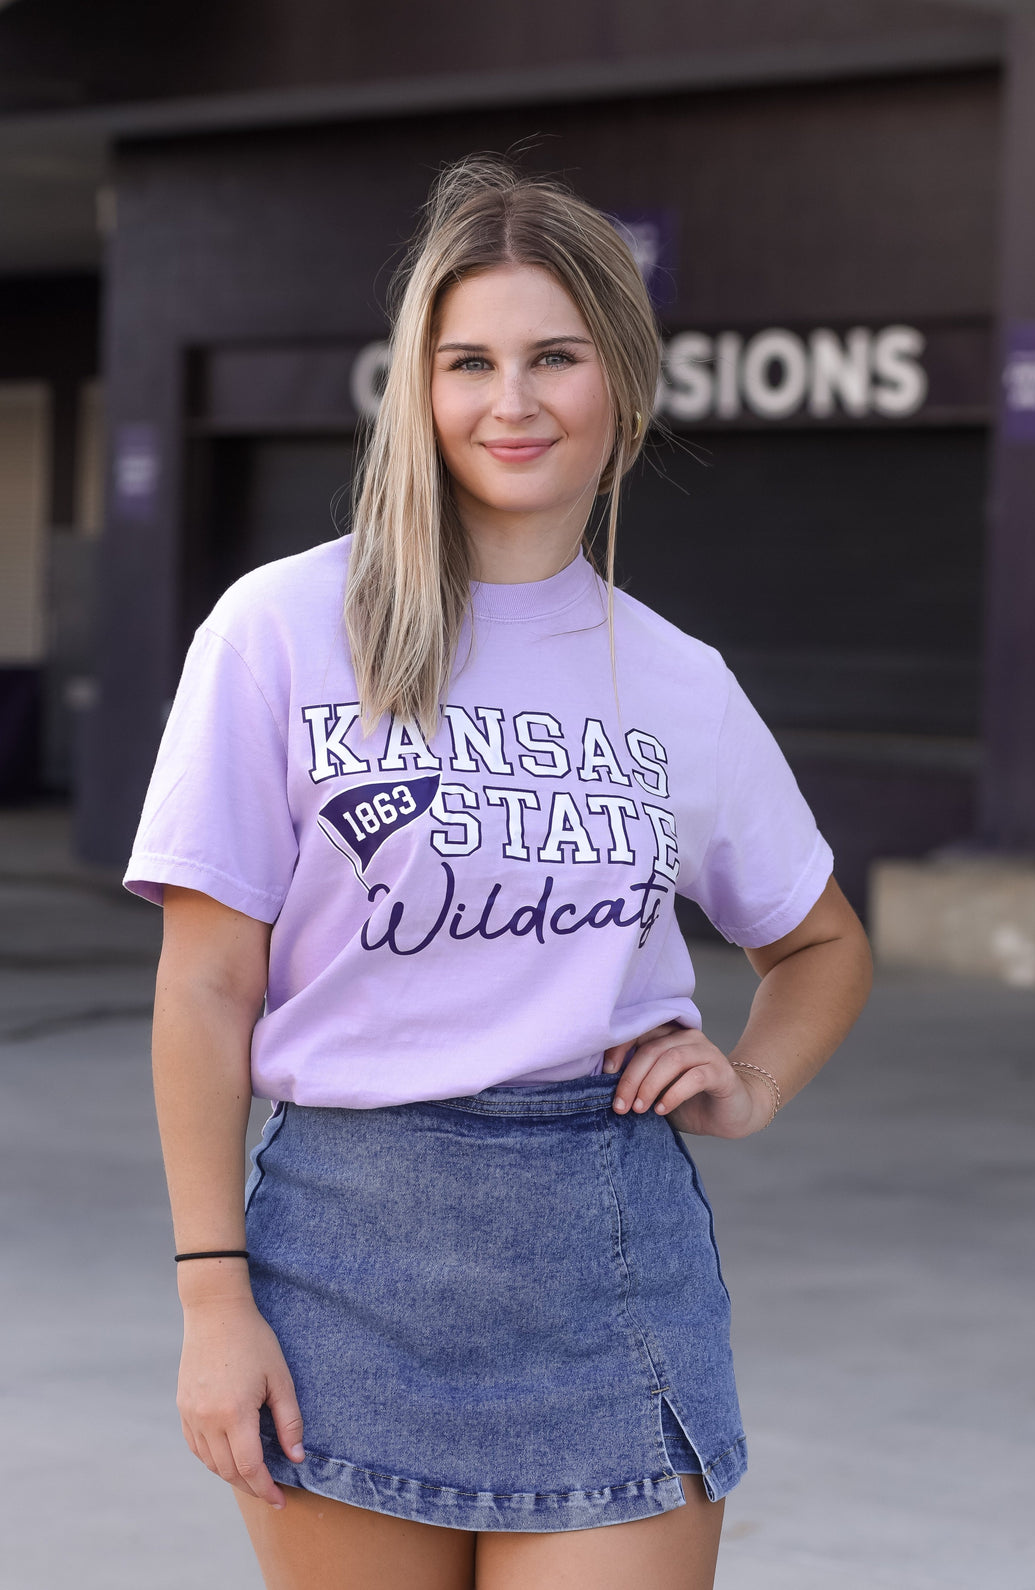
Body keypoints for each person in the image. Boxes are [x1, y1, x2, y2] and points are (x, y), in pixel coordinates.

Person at [124, 155, 873, 1590]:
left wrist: (756, 1078)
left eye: (553, 357)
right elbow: (206, 985)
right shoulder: (280, 630)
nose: (509, 401)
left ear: (623, 384)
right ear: (417, 386)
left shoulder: (679, 681)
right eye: (466, 360)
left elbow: (821, 942)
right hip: (340, 1257)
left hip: (608, 1268)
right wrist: (211, 1298)